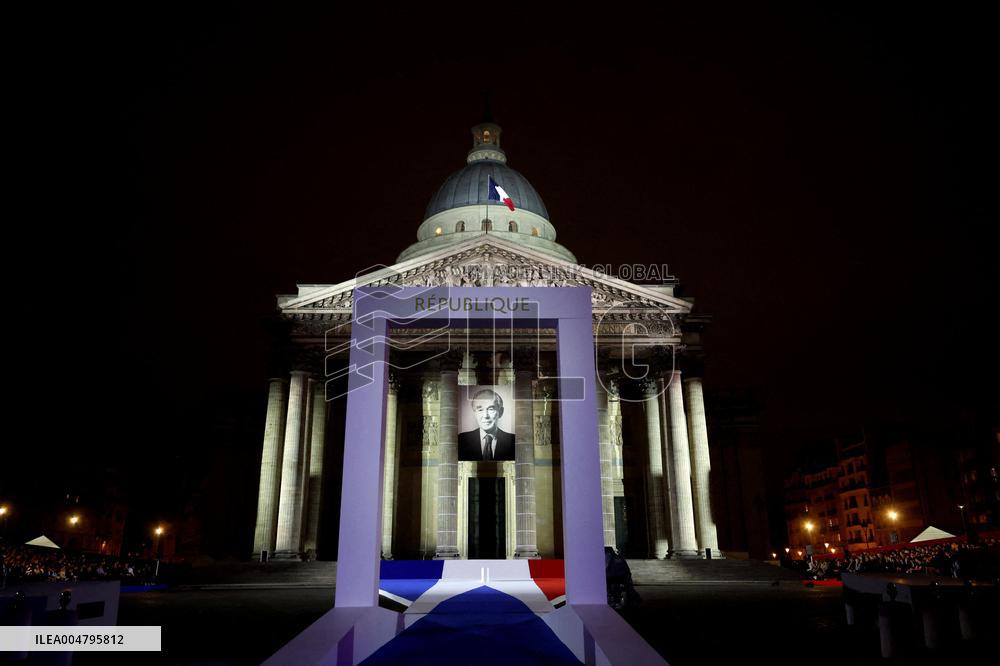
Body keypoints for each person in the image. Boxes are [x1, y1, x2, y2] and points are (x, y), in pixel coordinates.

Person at [458, 388, 515, 461]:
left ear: (500, 412)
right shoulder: (461, 440)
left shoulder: (513, 441)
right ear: (475, 413)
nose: (485, 416)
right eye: (480, 410)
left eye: (491, 409)